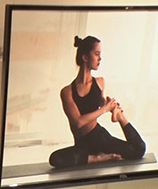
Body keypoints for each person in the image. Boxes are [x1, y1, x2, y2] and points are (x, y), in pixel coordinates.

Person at [48, 36, 146, 168]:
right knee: (55, 159)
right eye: (96, 54)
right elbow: (78, 122)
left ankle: (119, 117)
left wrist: (110, 106)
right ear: (85, 57)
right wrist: (104, 109)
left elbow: (98, 102)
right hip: (81, 144)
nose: (100, 58)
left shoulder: (100, 82)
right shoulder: (67, 92)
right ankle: (96, 158)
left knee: (139, 149)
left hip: (100, 138)